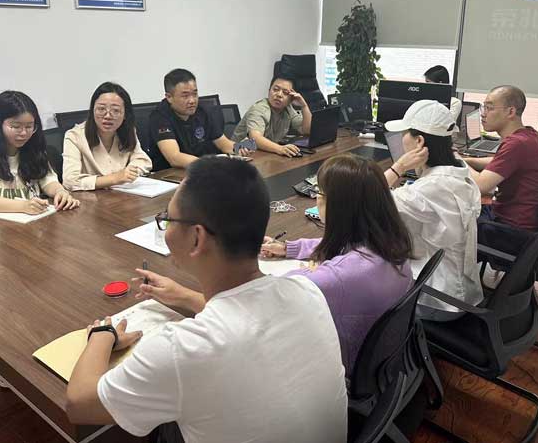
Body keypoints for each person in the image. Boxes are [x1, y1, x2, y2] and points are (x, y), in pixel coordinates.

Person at [66, 157, 347, 442]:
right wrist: (184, 296)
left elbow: (79, 404)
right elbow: (247, 320)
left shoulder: (182, 349)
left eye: (167, 219)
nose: (165, 227)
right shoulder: (306, 291)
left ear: (196, 238)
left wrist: (103, 335)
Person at [260, 153, 414, 372]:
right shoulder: (391, 240)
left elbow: (272, 293)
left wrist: (312, 270)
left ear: (338, 206)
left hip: (345, 368)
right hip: (384, 359)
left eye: (319, 193)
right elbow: (342, 245)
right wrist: (287, 248)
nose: (317, 198)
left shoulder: (337, 278)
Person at [384, 100, 483, 321]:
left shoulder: (429, 189)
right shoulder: (461, 174)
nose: (401, 139)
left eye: (404, 134)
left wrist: (398, 167)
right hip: (461, 293)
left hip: (437, 302)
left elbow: (365, 198)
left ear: (419, 141)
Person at [0, 91, 79, 218]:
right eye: (16, 126)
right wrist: (23, 206)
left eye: (29, 127)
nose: (23, 133)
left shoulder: (33, 151)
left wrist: (60, 192)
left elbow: (48, 182)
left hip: (29, 223)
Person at [462, 85, 538, 232]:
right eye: (484, 107)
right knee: (462, 212)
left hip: (512, 228)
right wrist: (468, 161)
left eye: (489, 108)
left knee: (453, 220)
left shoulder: (517, 144)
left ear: (510, 112)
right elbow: (498, 162)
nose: (483, 114)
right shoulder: (529, 135)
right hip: (517, 217)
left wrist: (456, 160)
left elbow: (481, 186)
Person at [148, 69, 252, 169]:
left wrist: (241, 147)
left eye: (194, 94)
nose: (192, 101)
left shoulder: (203, 111)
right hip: (170, 175)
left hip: (201, 169)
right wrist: (208, 165)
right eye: (185, 96)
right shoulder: (159, 117)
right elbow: (175, 158)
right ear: (169, 97)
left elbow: (224, 144)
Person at [62, 82, 152, 191]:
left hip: (123, 194)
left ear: (125, 115)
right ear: (92, 111)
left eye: (116, 110)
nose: (108, 116)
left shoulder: (128, 131)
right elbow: (70, 181)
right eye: (101, 109)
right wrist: (115, 178)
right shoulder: (74, 136)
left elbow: (143, 160)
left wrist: (130, 172)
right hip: (90, 198)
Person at [231, 75, 312, 157]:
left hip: (263, 153)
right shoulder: (260, 108)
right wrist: (280, 149)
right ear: (269, 90)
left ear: (292, 98)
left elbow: (306, 130)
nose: (279, 95)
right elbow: (255, 139)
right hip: (238, 154)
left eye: (285, 92)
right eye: (275, 89)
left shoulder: (288, 108)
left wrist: (304, 106)